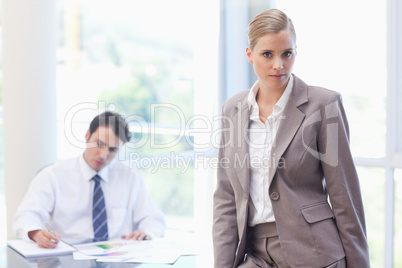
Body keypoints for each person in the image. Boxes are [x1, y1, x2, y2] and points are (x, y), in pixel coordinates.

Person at [213, 9, 370, 268]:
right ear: (250, 55)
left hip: (315, 252)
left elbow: (344, 196)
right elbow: (226, 198)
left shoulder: (323, 104)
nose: (279, 65)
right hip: (254, 254)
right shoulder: (234, 108)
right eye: (267, 54)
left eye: (287, 53)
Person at [14, 111, 165, 248]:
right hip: (68, 256)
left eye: (112, 150)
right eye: (99, 144)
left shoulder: (130, 177)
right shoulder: (52, 175)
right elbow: (26, 215)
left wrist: (146, 232)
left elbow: (153, 218)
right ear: (87, 136)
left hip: (117, 257)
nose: (103, 155)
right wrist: (36, 233)